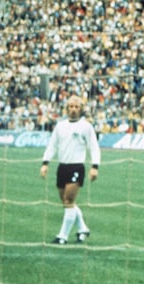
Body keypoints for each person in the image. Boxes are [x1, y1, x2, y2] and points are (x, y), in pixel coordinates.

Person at [40, 95, 101, 244]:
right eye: (71, 107)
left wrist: (95, 167)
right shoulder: (60, 126)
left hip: (76, 167)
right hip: (62, 167)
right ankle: (83, 229)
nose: (73, 109)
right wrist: (45, 163)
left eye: (76, 107)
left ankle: (62, 236)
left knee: (69, 200)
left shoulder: (86, 126)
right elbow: (52, 145)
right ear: (67, 109)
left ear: (81, 109)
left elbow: (94, 147)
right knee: (66, 202)